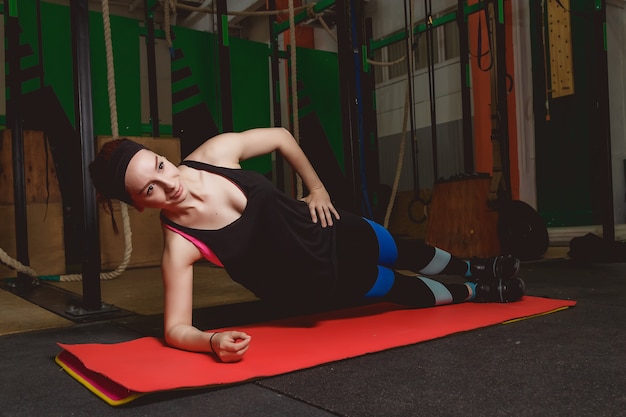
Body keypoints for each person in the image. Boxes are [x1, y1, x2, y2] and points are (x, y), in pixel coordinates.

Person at [89, 127, 524, 363]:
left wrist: (317, 189)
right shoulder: (180, 246)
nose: (169, 183)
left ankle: (477, 268)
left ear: (162, 155)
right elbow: (175, 330)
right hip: (317, 282)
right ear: (139, 206)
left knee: (404, 250)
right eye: (150, 188)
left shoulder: (214, 154)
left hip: (328, 225)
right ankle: (477, 291)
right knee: (397, 288)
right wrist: (212, 340)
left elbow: (280, 135)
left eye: (160, 165)